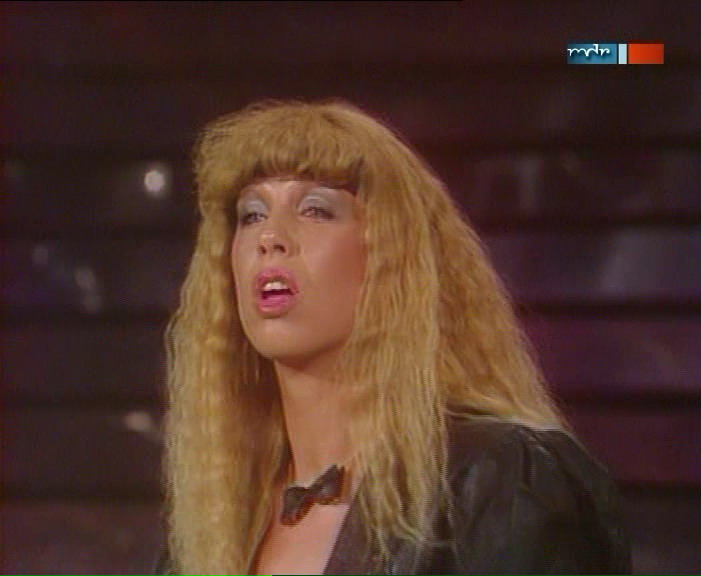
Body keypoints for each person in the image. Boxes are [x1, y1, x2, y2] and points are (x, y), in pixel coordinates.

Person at [158, 99, 631, 574]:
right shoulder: (214, 525)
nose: (270, 237)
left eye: (315, 209)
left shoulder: (498, 480)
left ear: (391, 257)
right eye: (252, 215)